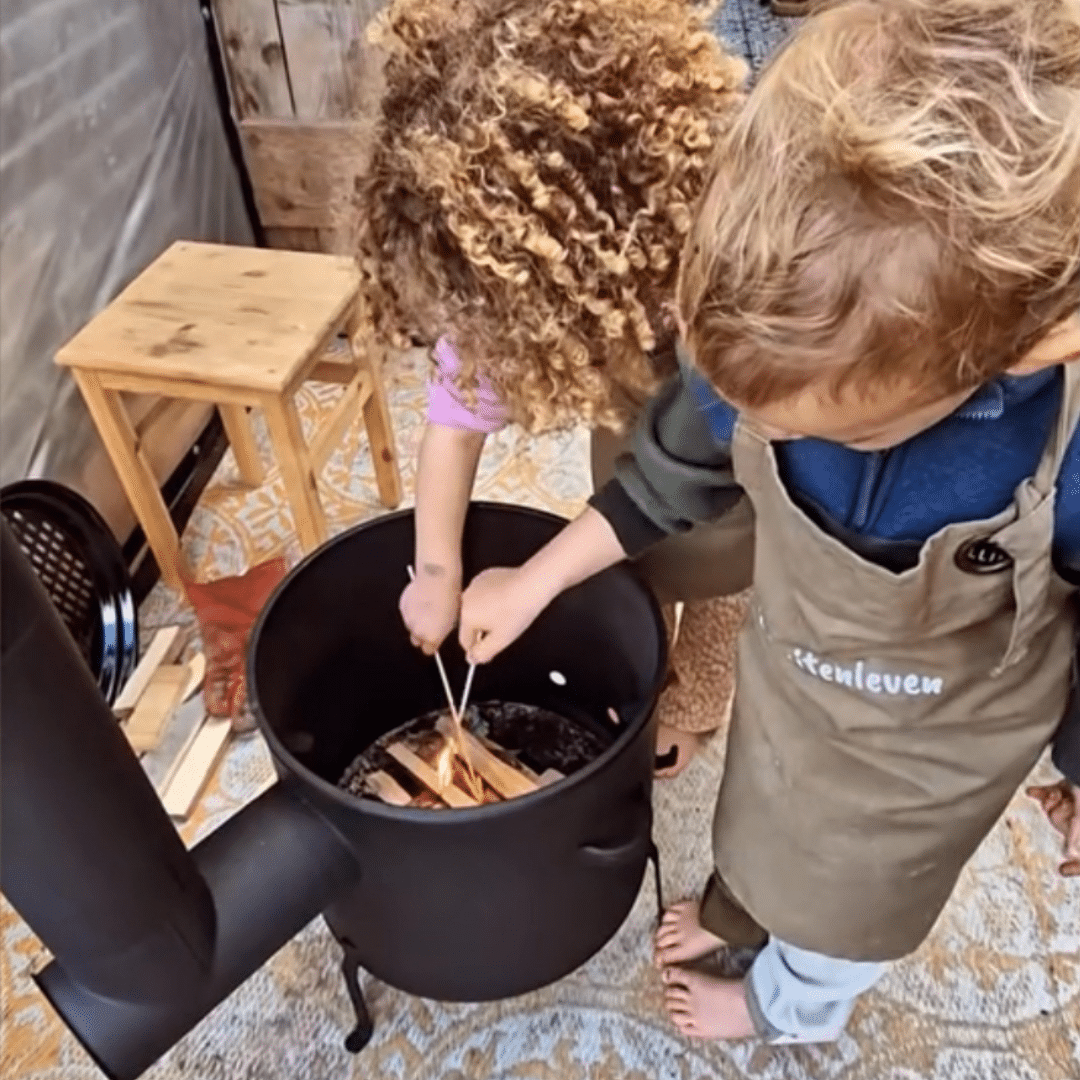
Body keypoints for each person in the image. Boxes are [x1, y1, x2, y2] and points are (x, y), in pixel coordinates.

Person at [455, 0, 1080, 1044]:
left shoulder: (1063, 448)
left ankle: (781, 1006)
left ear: (1016, 350)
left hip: (934, 754)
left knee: (850, 912)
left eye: (793, 428)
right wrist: (535, 579)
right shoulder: (786, 330)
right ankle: (749, 906)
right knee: (768, 807)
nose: (744, 430)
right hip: (799, 685)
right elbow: (667, 478)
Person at [354, 0, 751, 775]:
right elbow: (459, 418)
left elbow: (687, 471)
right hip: (639, 448)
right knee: (642, 563)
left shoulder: (740, 271)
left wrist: (534, 583)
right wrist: (436, 569)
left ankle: (697, 707)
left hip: (747, 489)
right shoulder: (527, 272)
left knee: (720, 589)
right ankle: (649, 660)